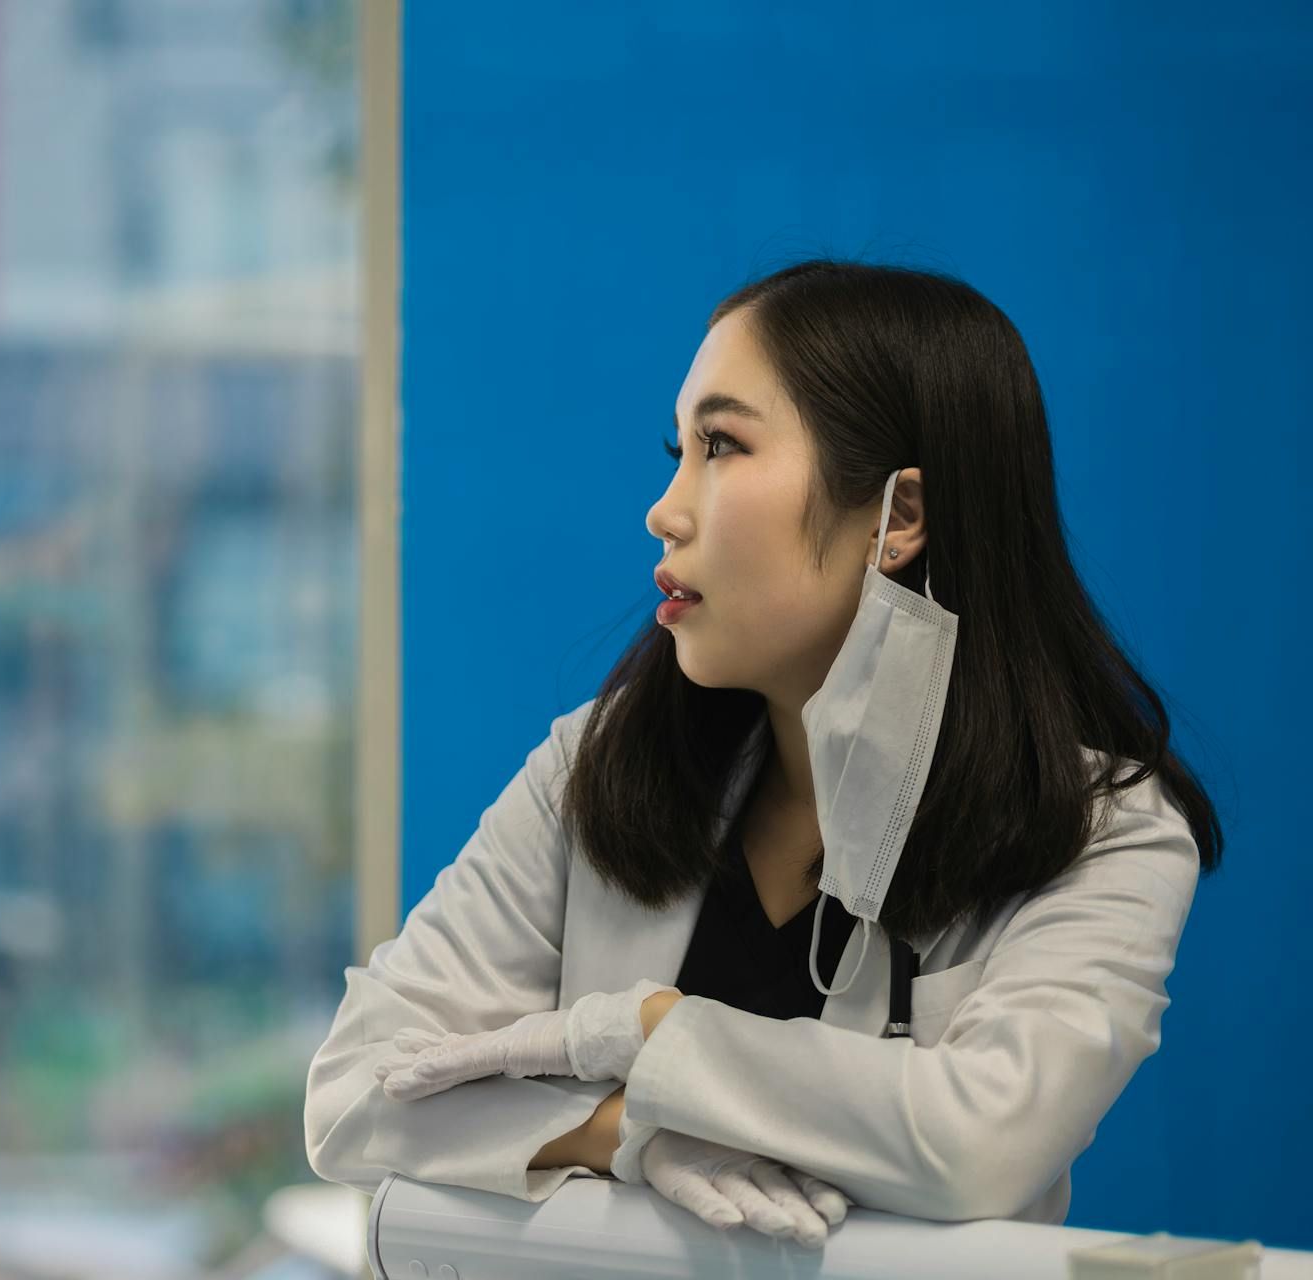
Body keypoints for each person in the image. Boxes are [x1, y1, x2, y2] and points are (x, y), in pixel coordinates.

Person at [302, 259, 1223, 1250]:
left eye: (722, 446)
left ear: (898, 517)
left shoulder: (1108, 827)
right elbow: (355, 1088)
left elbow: (980, 1139)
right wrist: (626, 1133)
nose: (667, 508)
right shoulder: (595, 764)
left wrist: (648, 1034)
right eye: (678, 449)